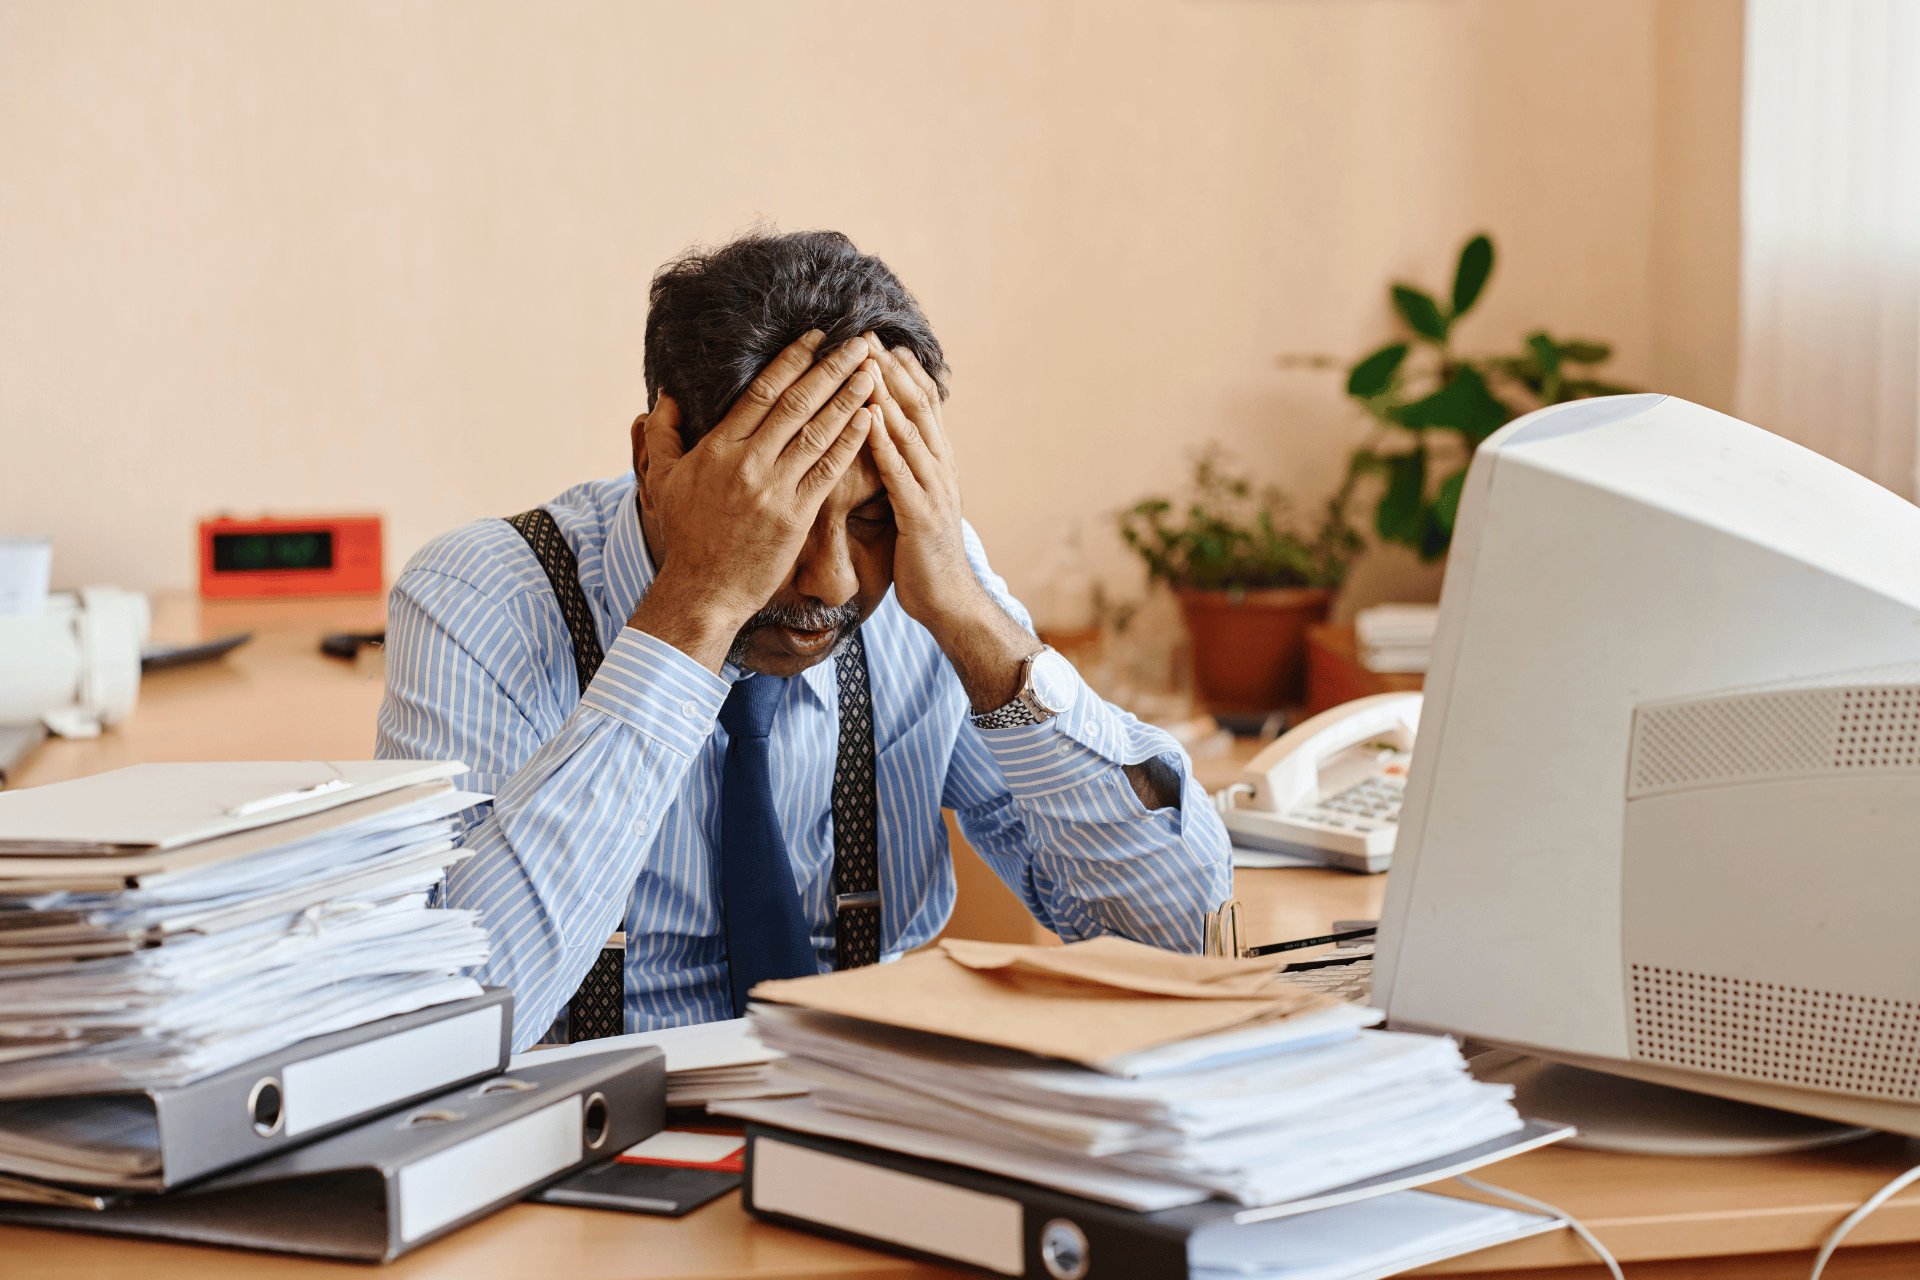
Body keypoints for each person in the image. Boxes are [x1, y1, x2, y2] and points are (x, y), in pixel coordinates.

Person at [377, 229, 1232, 1047]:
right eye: (774, 514)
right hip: (579, 1158)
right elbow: (447, 1018)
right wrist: (693, 614)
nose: (833, 580)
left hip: (858, 1131)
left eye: (870, 519)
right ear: (655, 459)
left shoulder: (927, 583)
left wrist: (975, 624)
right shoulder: (481, 598)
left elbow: (1182, 939)